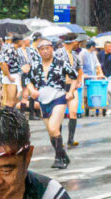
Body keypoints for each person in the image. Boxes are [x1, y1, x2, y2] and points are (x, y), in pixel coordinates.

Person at [25, 38, 75, 169]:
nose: (46, 51)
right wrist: (32, 90)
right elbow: (27, 80)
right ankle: (63, 155)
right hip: (43, 99)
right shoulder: (35, 65)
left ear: (52, 49)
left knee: (54, 128)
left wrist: (71, 92)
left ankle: (59, 158)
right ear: (39, 51)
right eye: (42, 49)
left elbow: (75, 76)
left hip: (58, 97)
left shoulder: (61, 63)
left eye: (48, 48)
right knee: (51, 132)